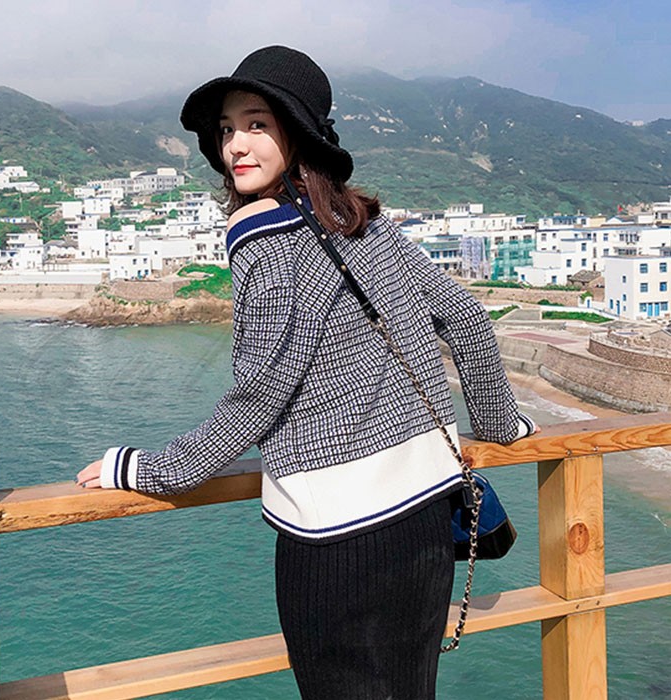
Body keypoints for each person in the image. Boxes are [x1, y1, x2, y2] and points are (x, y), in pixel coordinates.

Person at [77, 45, 538, 699]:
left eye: (257, 124)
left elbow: (260, 393)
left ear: (298, 133)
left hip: (339, 540)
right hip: (427, 520)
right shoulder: (363, 221)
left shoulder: (261, 236)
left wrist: (150, 470)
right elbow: (464, 316)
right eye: (227, 128)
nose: (236, 144)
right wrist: (499, 424)